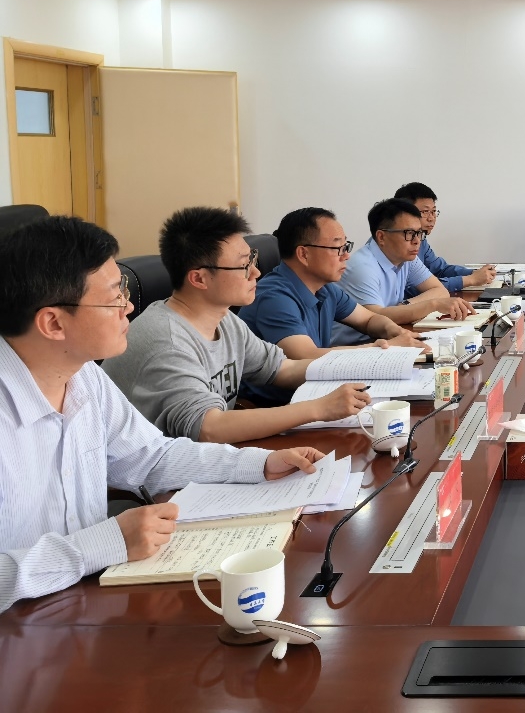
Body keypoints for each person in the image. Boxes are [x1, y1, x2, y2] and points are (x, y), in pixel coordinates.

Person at [0, 216, 325, 614]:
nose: (128, 307)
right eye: (113, 298)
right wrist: (100, 545)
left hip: (87, 607)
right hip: (22, 630)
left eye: (123, 290)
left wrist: (259, 465)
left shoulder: (84, 377)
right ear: (53, 322)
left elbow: (153, 457)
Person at [103, 207, 372, 442]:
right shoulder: (168, 341)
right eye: (244, 265)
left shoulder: (226, 320)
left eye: (252, 260)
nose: (256, 272)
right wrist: (319, 408)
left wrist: (366, 365)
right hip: (157, 479)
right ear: (199, 279)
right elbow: (209, 428)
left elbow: (282, 368)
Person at [238, 207, 428, 406]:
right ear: (304, 254)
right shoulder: (275, 297)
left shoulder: (325, 289)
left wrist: (395, 332)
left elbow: (368, 319)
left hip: (316, 392)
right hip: (274, 407)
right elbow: (306, 357)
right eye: (338, 248)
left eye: (346, 247)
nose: (346, 256)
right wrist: (384, 349)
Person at [332, 198, 473, 345]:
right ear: (381, 237)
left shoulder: (407, 258)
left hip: (387, 338)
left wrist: (405, 305)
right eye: (409, 233)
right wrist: (433, 304)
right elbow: (376, 316)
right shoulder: (362, 267)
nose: (417, 241)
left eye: (419, 233)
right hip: (353, 347)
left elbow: (439, 290)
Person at [394, 182, 497, 292]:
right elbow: (414, 290)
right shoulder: (398, 244)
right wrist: (470, 280)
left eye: (433, 211)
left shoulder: (421, 240)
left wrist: (474, 273)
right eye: (425, 212)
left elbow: (440, 269)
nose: (431, 218)